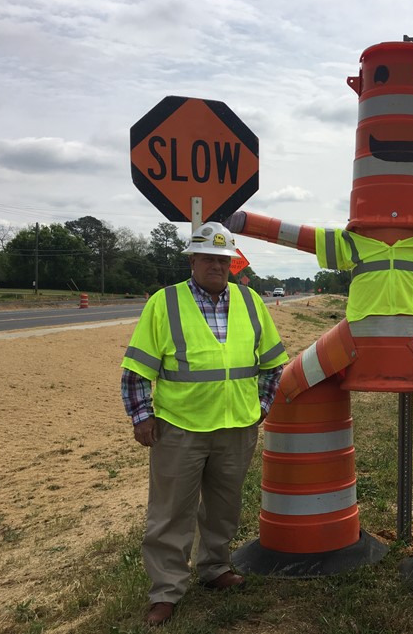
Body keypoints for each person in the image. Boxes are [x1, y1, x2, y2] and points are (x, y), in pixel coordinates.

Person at [120, 221, 289, 627]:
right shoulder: (165, 302)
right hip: (180, 427)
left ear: (232, 264)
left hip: (237, 427)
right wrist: (142, 416)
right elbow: (137, 369)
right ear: (192, 260)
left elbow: (273, 364)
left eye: (223, 259)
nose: (216, 265)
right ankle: (166, 591)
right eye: (208, 258)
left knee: (223, 507)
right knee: (170, 512)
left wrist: (262, 405)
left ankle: (215, 568)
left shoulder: (251, 301)